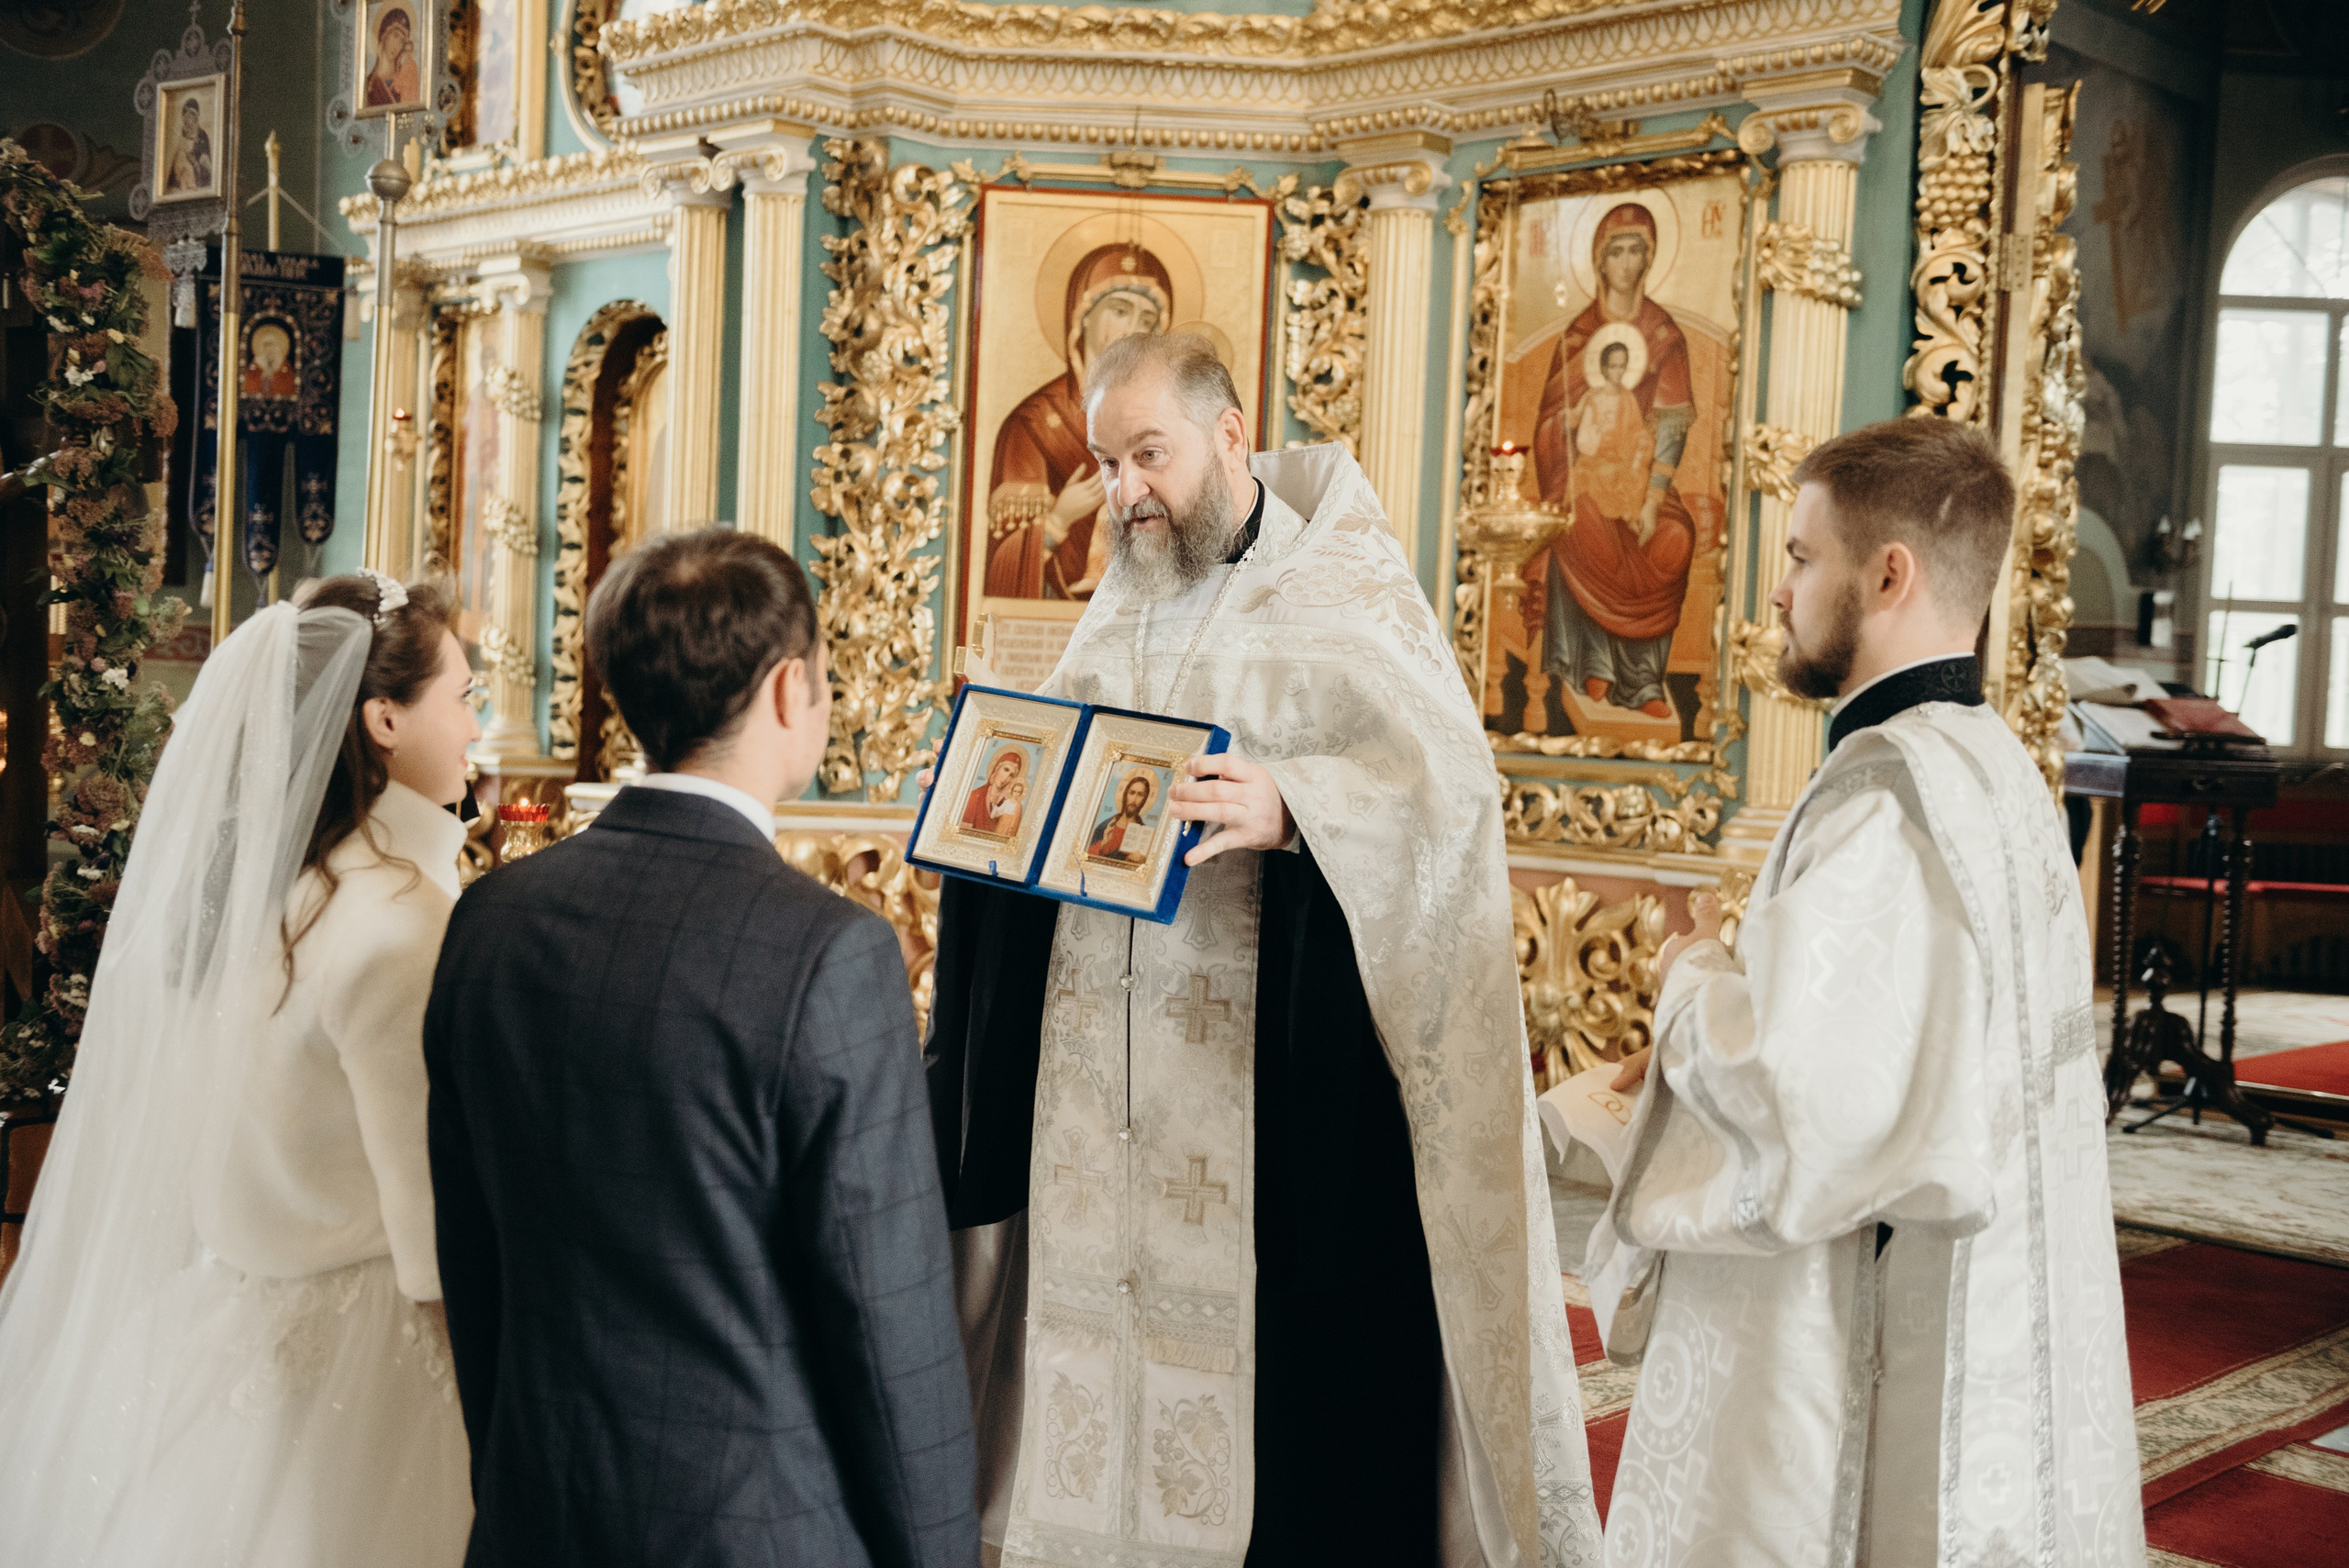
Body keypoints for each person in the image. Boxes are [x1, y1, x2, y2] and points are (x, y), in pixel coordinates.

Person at [926, 332, 1599, 1567]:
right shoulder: (1120, 598)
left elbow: (1448, 796)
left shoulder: (1342, 585)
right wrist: (992, 777)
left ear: (1230, 435)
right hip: (1101, 1128)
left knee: (1282, 1444)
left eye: (1149, 455)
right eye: (1105, 461)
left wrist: (1294, 807)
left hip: (1267, 1124)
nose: (1123, 489)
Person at [1586, 418, 2143, 1566]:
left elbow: (1796, 1090)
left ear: (1887, 572)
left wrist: (1691, 978)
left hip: (1870, 1314)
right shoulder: (1990, 765)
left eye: (1799, 555)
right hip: (1985, 1290)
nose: (1778, 590)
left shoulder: (1891, 792)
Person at [425, 529, 978, 1568]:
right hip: (760, 1527)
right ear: (786, 688)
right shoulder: (832, 955)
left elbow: (476, 1260)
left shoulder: (490, 920)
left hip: (535, 1508)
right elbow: (886, 1324)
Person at [0, 573, 480, 1567]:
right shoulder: (397, 925)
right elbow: (430, 1227)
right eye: (465, 696)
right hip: (372, 1365)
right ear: (384, 716)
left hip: (228, 1323)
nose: (479, 722)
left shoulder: (269, 898)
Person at [1521, 203, 1701, 722]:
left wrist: (1648, 500)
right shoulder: (1576, 339)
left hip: (1643, 479)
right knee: (1582, 524)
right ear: (1600, 261)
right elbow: (1550, 421)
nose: (1626, 263)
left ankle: (1643, 678)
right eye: (1616, 251)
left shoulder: (1665, 337)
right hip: (1580, 477)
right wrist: (1572, 433)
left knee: (1673, 538)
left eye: (1636, 250)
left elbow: (1669, 426)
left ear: (1650, 259)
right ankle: (1592, 666)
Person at [984, 243, 1174, 601]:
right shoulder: (1033, 424)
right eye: (1120, 311)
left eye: (1147, 321)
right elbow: (999, 568)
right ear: (1083, 316)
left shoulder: (1171, 422)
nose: (1133, 329)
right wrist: (1058, 518)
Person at [1084, 771, 1155, 863]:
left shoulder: (1144, 834)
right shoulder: (1106, 826)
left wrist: (1140, 862)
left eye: (1140, 795)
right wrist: (1103, 843)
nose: (1134, 799)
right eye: (1132, 793)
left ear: (1144, 800)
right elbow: (1084, 856)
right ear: (1125, 794)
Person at [962, 744, 1029, 837]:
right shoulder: (975, 796)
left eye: (1011, 775)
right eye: (1005, 770)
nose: (1006, 778)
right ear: (997, 769)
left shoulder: (1009, 803)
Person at [365, 6, 420, 108]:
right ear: (384, 35)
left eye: (402, 41)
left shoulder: (405, 80)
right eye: (395, 36)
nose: (397, 45)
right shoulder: (368, 85)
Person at [164, 95, 211, 194]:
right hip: (180, 176)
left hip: (196, 177)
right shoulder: (181, 134)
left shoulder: (202, 135)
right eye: (186, 114)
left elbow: (205, 160)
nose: (188, 117)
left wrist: (196, 160)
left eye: (191, 114)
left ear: (196, 116)